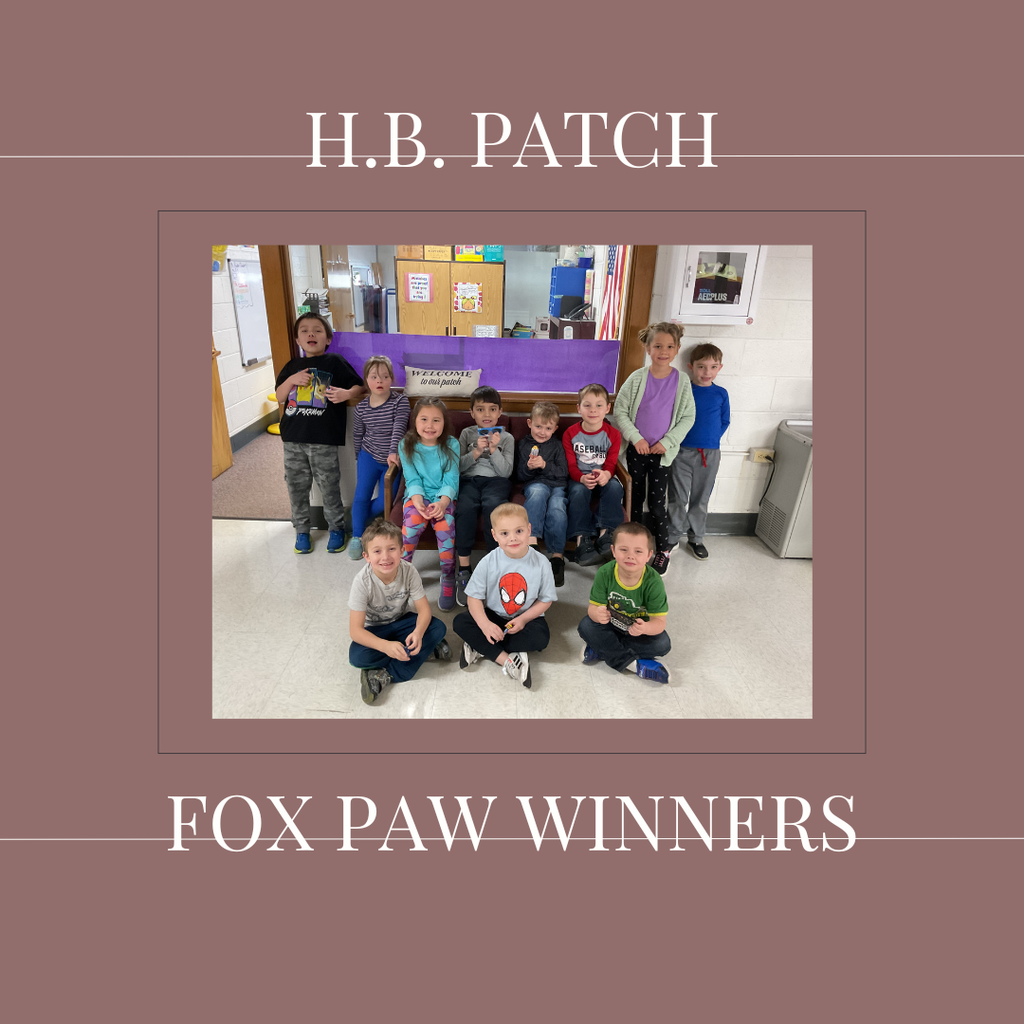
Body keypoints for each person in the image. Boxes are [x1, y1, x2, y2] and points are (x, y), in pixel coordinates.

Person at [274, 313, 365, 554]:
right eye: (304, 331)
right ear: (297, 339)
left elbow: (360, 385)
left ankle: (336, 528)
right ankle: (302, 530)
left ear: (328, 339)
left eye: (317, 330)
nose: (311, 334)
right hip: (293, 439)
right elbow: (280, 397)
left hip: (324, 439)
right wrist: (292, 379)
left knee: (329, 485)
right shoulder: (292, 367)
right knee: (296, 486)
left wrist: (346, 394)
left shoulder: (334, 361)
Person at [613, 322, 696, 575]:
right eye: (658, 345)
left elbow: (687, 417)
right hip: (638, 452)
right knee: (634, 502)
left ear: (677, 349)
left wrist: (666, 442)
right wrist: (636, 438)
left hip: (662, 455)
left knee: (658, 506)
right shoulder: (637, 378)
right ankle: (634, 550)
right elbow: (621, 411)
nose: (664, 351)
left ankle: (662, 551)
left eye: (670, 346)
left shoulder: (681, 381)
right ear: (648, 348)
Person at [453, 503, 557, 690]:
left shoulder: (541, 563)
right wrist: (485, 625)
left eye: (518, 531)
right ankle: (508, 659)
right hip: (494, 616)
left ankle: (479, 645)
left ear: (529, 530)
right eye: (504, 533)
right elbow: (473, 599)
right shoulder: (488, 561)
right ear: (494, 536)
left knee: (541, 639)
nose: (513, 538)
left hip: (527, 617)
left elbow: (546, 599)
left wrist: (524, 619)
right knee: (460, 622)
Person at [348, 519, 450, 706]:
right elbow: (355, 631)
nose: (385, 557)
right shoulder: (362, 582)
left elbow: (424, 610)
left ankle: (382, 674)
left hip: (402, 621)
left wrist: (418, 634)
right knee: (356, 656)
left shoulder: (409, 571)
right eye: (377, 551)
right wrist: (385, 646)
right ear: (367, 556)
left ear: (402, 551)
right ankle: (422, 652)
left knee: (438, 627)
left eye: (392, 549)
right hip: (376, 629)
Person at [577, 522, 672, 684]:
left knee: (662, 644)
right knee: (586, 625)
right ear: (613, 551)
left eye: (638, 551)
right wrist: (597, 613)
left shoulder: (653, 581)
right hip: (610, 626)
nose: (630, 556)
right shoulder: (605, 573)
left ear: (648, 555)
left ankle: (601, 649)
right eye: (623, 550)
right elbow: (593, 609)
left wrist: (646, 628)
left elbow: (659, 623)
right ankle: (634, 665)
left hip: (636, 632)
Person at [667, 343, 730, 560]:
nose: (707, 372)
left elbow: (724, 421)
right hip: (682, 452)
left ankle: (696, 538)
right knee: (677, 497)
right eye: (701, 367)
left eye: (712, 367)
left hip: (709, 454)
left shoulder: (721, 394)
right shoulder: (683, 391)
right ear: (691, 367)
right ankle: (673, 536)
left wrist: (710, 440)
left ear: (719, 368)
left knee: (701, 498)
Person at [398, 397, 461, 610]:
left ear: (444, 423)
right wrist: (417, 500)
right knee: (410, 530)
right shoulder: (405, 444)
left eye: (436, 420)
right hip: (417, 496)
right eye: (424, 419)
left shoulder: (451, 444)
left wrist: (443, 503)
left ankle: (448, 576)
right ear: (415, 421)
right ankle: (402, 576)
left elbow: (451, 478)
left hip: (443, 497)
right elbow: (411, 477)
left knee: (445, 530)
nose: (430, 425)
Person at [454, 386, 514, 606]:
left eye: (492, 409)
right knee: (465, 508)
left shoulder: (507, 438)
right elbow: (457, 467)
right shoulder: (466, 434)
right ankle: (464, 569)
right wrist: (476, 452)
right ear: (472, 413)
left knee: (494, 508)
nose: (486, 414)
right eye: (480, 409)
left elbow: (506, 471)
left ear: (499, 412)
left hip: (497, 482)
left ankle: (493, 566)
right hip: (469, 480)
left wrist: (495, 450)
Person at [348, 355, 409, 559]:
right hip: (368, 455)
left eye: (384, 376)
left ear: (391, 378)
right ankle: (357, 537)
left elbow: (398, 429)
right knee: (361, 496)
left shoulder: (400, 402)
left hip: (392, 461)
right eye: (374, 377)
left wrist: (393, 452)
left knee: (385, 501)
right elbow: (358, 433)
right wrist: (359, 456)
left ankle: (360, 518)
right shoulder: (361, 408)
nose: (379, 381)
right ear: (367, 380)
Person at [563, 383, 624, 567]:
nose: (593, 410)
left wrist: (606, 474)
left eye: (599, 405)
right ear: (579, 408)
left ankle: (606, 534)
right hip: (579, 479)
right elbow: (571, 464)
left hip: (603, 476)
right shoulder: (571, 433)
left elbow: (612, 462)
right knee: (578, 492)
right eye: (587, 405)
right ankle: (583, 540)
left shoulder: (613, 434)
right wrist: (581, 477)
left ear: (607, 408)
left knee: (615, 487)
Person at [517, 400, 569, 587]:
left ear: (555, 428)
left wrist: (544, 465)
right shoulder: (525, 444)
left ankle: (557, 557)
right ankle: (532, 545)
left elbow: (564, 472)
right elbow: (520, 475)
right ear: (530, 423)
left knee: (557, 507)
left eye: (547, 428)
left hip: (557, 485)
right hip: (535, 483)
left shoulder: (556, 446)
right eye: (538, 426)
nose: (542, 432)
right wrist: (530, 468)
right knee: (537, 493)